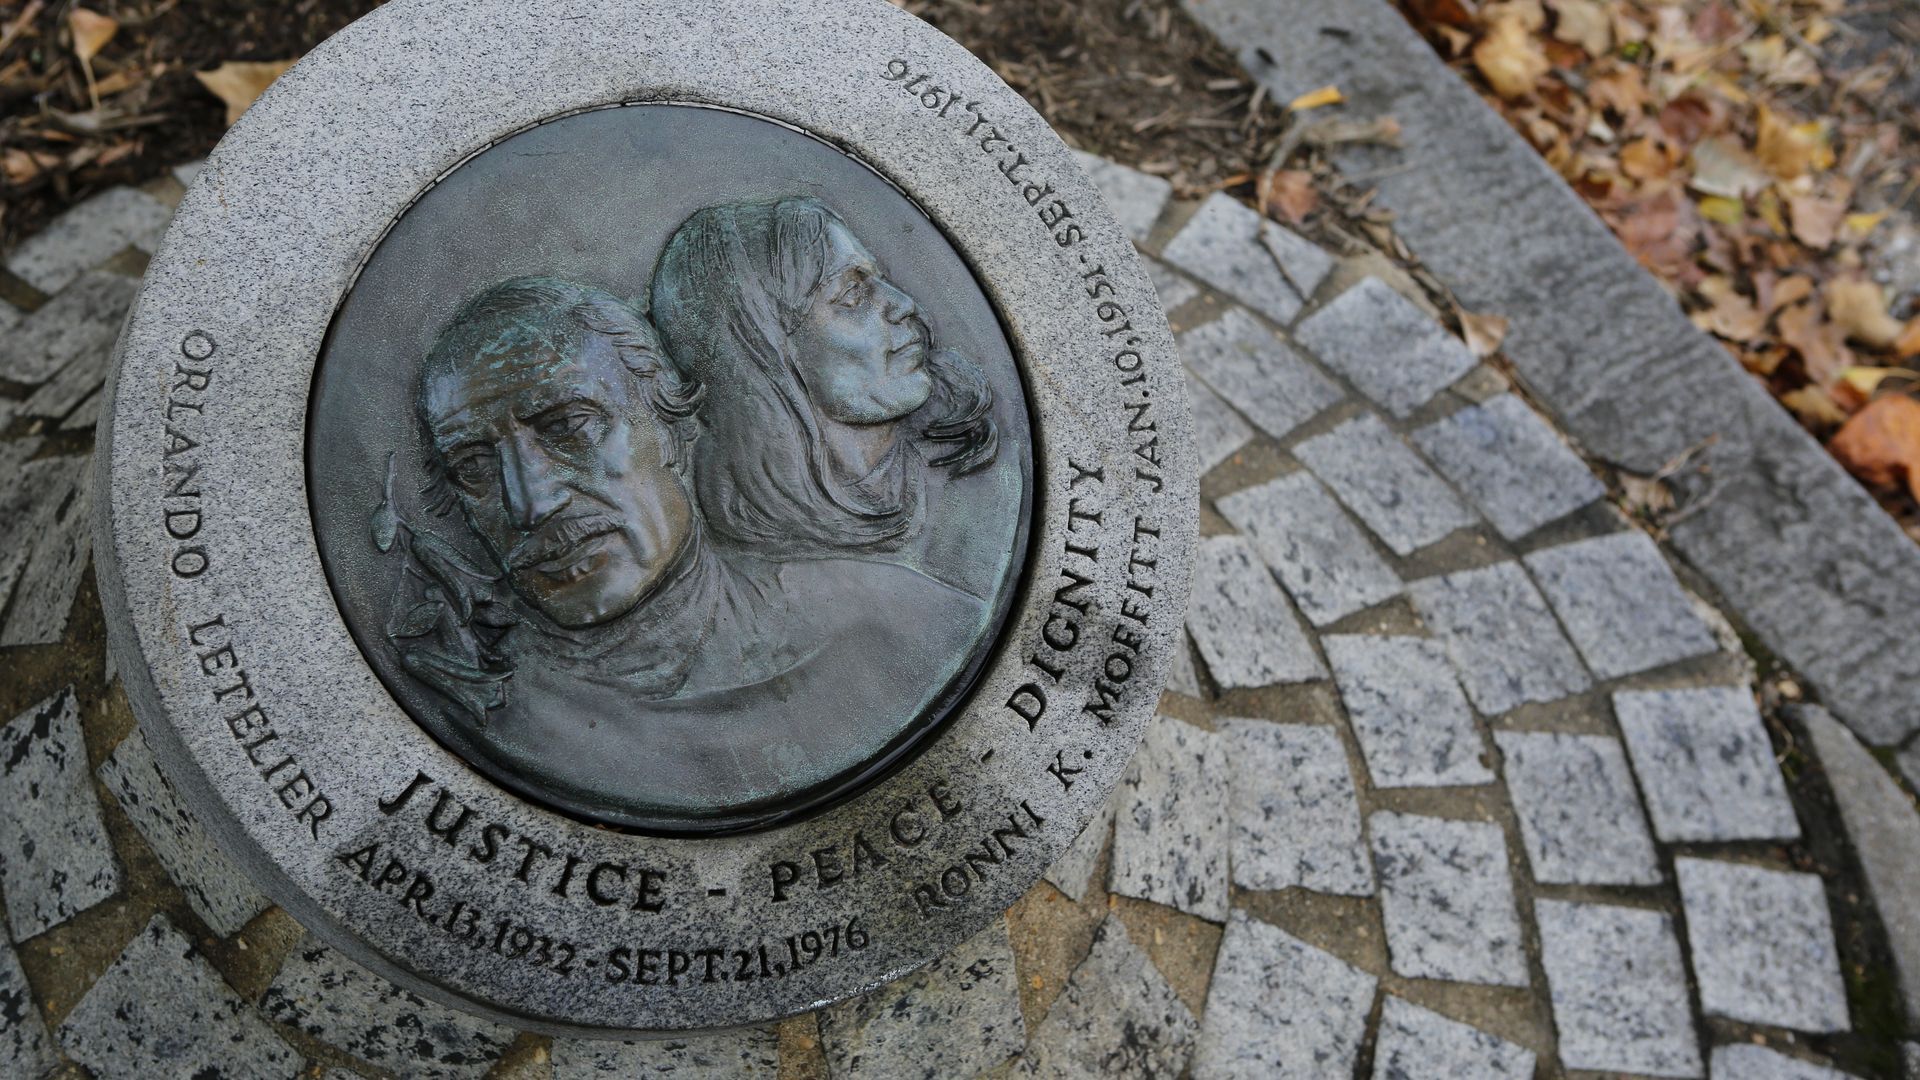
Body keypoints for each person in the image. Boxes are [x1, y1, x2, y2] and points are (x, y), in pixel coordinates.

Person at [386, 277, 987, 828]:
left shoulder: (903, 623)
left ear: (673, 424)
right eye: (473, 466)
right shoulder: (490, 710)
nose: (530, 504)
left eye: (570, 428)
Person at [649, 196, 998, 561]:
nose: (902, 304)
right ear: (762, 354)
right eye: (851, 293)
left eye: (876, 280)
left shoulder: (984, 493)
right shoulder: (736, 573)